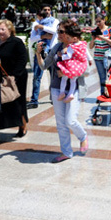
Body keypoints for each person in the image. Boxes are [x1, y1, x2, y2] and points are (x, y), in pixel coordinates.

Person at [36, 19, 88, 163]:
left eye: (61, 31)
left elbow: (86, 69)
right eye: (58, 31)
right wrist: (38, 53)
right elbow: (43, 66)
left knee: (70, 120)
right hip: (57, 88)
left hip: (74, 88)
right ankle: (66, 152)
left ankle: (83, 137)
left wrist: (67, 73)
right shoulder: (57, 47)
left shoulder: (79, 47)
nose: (58, 34)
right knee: (60, 123)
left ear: (70, 34)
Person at [0, 20, 29, 144]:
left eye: (3, 29)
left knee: (17, 103)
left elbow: (23, 60)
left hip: (15, 78)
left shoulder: (16, 42)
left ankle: (23, 126)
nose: (0, 32)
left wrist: (14, 76)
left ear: (10, 30)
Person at [28, 6, 58, 109]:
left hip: (52, 51)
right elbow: (32, 38)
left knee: (53, 76)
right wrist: (43, 36)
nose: (47, 12)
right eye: (45, 10)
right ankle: (34, 100)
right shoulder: (35, 23)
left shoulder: (55, 21)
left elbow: (54, 31)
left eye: (49, 10)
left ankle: (54, 98)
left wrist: (41, 27)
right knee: (37, 76)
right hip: (40, 51)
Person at [56, 26, 88, 102]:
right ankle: (71, 94)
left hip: (71, 66)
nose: (67, 40)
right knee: (73, 80)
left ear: (74, 38)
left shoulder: (71, 47)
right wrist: (89, 60)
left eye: (68, 38)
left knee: (64, 78)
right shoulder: (83, 44)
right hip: (80, 66)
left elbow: (68, 56)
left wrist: (62, 56)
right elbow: (87, 54)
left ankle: (62, 92)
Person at [90, 16, 111, 96]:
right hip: (98, 57)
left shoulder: (110, 30)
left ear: (104, 20)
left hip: (108, 57)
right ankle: (103, 94)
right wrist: (93, 39)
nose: (98, 24)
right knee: (102, 77)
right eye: (96, 22)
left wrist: (102, 38)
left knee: (110, 76)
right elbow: (91, 47)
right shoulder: (95, 31)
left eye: (99, 21)